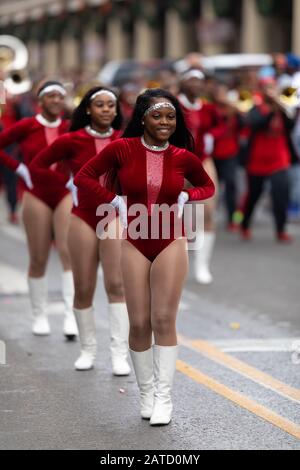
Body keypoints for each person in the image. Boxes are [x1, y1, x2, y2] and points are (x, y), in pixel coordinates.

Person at [74, 89, 215, 426]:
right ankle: (147, 393)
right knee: (139, 323)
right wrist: (116, 201)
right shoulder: (122, 149)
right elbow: (84, 176)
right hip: (133, 241)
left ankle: (165, 398)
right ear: (142, 118)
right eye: (157, 116)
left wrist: (187, 195)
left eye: (170, 117)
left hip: (170, 239)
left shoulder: (183, 156)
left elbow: (207, 186)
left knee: (164, 320)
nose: (165, 122)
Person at [30, 87, 131, 375]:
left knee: (117, 285)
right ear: (88, 108)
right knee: (83, 287)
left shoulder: (125, 140)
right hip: (82, 217)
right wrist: (65, 181)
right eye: (99, 105)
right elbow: (38, 164)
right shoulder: (72, 140)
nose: (106, 110)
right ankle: (88, 350)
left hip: (112, 217)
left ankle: (118, 355)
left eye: (111, 105)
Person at [0, 81, 78, 338]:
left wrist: (77, 178)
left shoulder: (70, 128)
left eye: (60, 96)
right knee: (38, 257)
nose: (57, 100)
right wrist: (18, 167)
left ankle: (70, 316)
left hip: (64, 193)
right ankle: (39, 315)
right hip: (35, 194)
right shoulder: (27, 125)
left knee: (68, 253)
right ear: (40, 101)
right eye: (51, 96)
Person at [178, 69, 219, 284]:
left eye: (199, 80)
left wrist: (212, 138)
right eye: (191, 79)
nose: (196, 84)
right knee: (175, 213)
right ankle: (175, 260)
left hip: (203, 160)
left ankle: (202, 264)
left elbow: (219, 127)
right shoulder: (174, 105)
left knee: (208, 211)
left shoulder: (208, 108)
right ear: (183, 82)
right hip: (177, 161)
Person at [241, 78, 293, 242]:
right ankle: (245, 224)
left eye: (273, 87)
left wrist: (281, 108)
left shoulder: (283, 107)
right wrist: (271, 110)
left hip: (280, 158)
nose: (271, 91)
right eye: (267, 88)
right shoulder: (256, 108)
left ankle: (280, 229)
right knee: (254, 195)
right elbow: (257, 125)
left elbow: (291, 125)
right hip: (258, 159)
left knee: (280, 194)